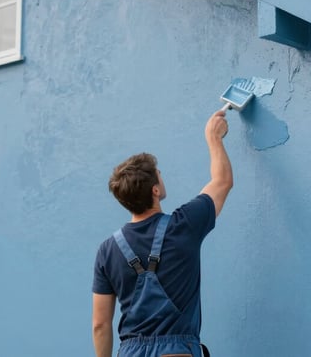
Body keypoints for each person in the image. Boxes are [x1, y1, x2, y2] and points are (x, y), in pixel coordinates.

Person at [92, 110, 233, 357]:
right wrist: (213, 137)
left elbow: (100, 325)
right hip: (176, 351)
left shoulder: (107, 250)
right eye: (159, 173)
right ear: (155, 190)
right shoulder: (183, 225)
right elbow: (222, 182)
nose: (162, 174)